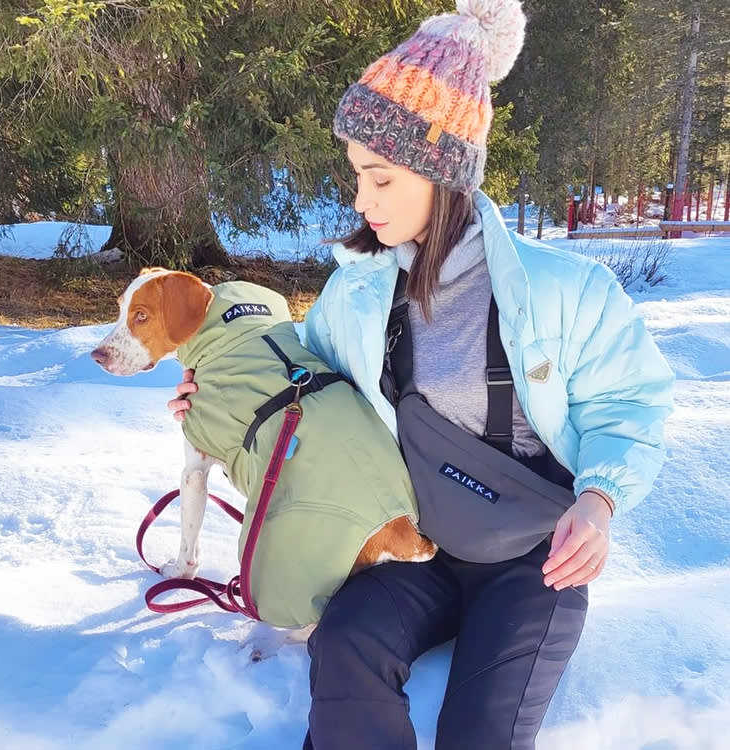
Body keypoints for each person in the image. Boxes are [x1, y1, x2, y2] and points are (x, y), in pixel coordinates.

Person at [169, 1, 675, 747]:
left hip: (535, 561)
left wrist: (598, 500)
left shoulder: (567, 290)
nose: (359, 200)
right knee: (345, 655)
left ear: (444, 173)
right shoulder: (357, 293)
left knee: (482, 731)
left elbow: (630, 401)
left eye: (379, 178)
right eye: (356, 176)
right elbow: (302, 373)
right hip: (416, 546)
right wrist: (217, 391)